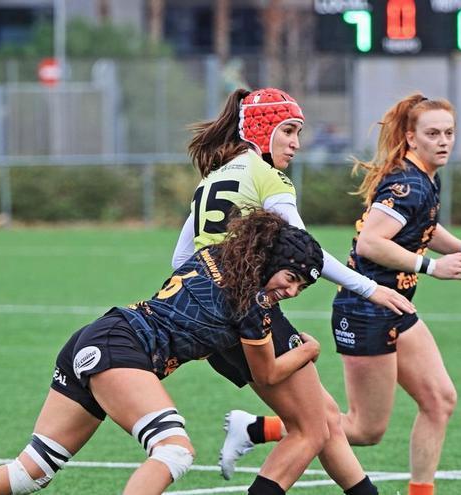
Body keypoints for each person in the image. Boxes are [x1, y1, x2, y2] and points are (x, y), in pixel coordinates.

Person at [221, 93, 461, 495]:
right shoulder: (408, 184)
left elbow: (426, 226)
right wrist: (431, 266)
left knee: (440, 399)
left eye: (449, 132)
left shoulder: (426, 177)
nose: (443, 141)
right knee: (363, 428)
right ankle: (257, 428)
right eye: (432, 133)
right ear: (411, 138)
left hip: (396, 305)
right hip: (366, 308)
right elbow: (371, 244)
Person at [0, 210, 332, 495]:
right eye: (291, 278)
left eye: (302, 287)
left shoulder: (216, 254)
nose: (292, 291)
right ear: (271, 262)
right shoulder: (254, 306)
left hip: (98, 336)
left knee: (30, 471)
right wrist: (309, 348)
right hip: (121, 350)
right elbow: (267, 374)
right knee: (174, 451)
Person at [172, 88, 402, 493]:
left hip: (213, 320)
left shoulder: (214, 177)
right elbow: (306, 252)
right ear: (263, 131)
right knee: (311, 427)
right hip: (250, 313)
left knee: (326, 415)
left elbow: (181, 261)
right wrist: (370, 288)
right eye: (290, 131)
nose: (297, 143)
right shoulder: (268, 178)